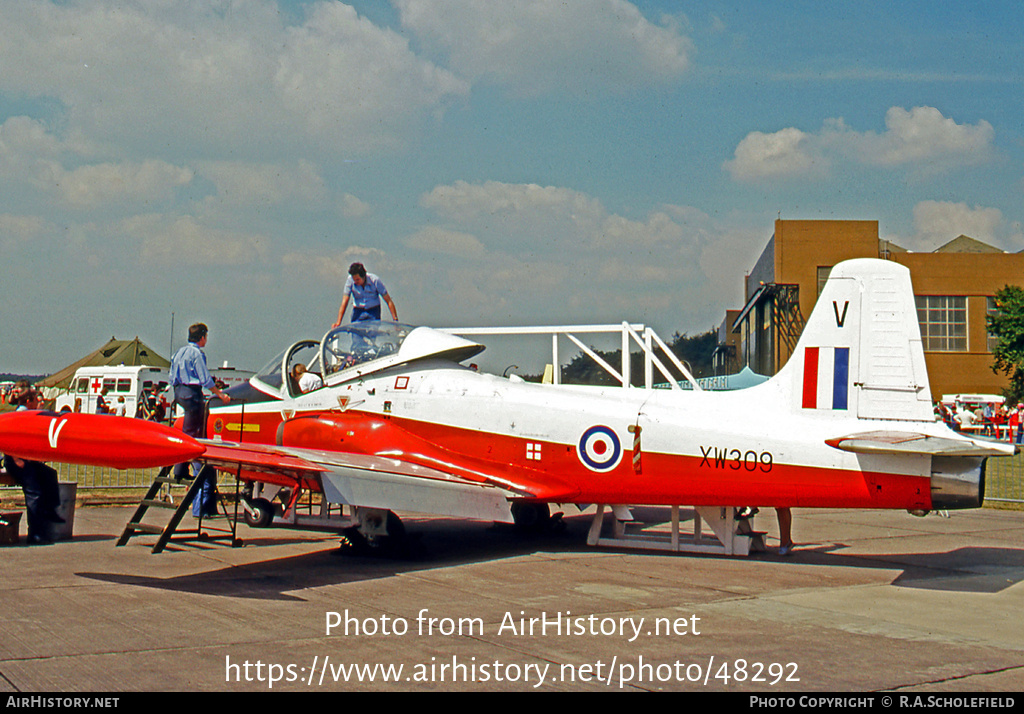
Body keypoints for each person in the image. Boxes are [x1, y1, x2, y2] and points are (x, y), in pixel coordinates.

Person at [170, 323, 231, 517]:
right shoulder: (197, 354)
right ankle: (182, 468)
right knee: (193, 433)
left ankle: (181, 468)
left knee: (187, 428)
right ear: (202, 337)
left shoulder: (179, 352)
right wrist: (220, 394)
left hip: (179, 391)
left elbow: (172, 376)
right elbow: (205, 379)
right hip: (192, 393)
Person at [2, 388, 64, 545]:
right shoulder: (20, 414)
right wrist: (16, 459)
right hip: (16, 460)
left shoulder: (30, 414)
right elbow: (9, 436)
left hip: (26, 459)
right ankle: (35, 533)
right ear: (29, 401)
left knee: (49, 475)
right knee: (33, 490)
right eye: (36, 399)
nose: (39, 402)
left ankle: (49, 514)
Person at [332, 262, 398, 327]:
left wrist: (395, 321)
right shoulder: (350, 280)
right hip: (358, 311)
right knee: (356, 335)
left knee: (373, 334)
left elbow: (388, 301)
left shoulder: (375, 280)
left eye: (357, 279)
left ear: (363, 276)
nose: (355, 282)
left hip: (373, 311)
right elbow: (344, 301)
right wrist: (338, 322)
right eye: (354, 279)